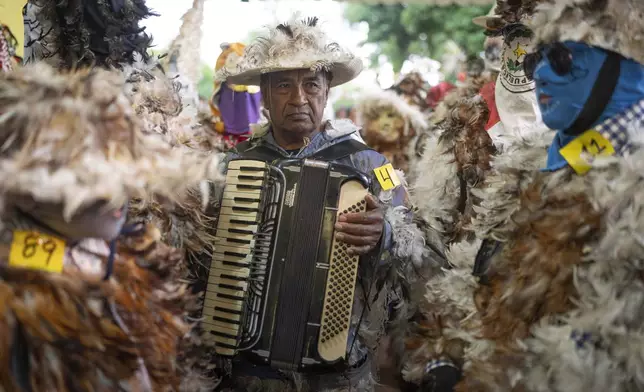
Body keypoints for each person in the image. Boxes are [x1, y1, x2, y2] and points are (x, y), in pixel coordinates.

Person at [214, 15, 422, 392]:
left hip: (339, 372)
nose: (299, 99)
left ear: (327, 92)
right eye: (283, 86)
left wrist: (385, 234)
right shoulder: (231, 167)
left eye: (311, 84)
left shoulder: (371, 165)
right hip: (249, 371)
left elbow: (420, 250)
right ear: (263, 94)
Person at [457, 0, 644, 390]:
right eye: (534, 59)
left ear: (626, 64)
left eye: (561, 58)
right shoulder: (529, 165)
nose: (539, 73)